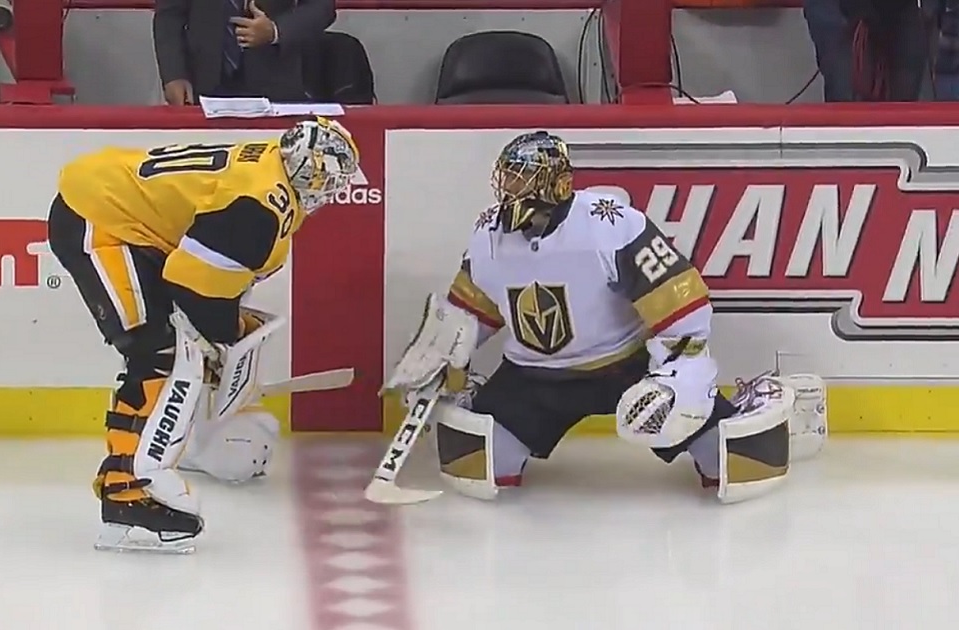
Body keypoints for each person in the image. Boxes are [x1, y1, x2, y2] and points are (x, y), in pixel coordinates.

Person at [384, 132, 825, 504]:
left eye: (524, 178)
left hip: (625, 367)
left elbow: (682, 309)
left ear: (556, 185)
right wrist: (442, 357)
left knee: (740, 466)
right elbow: (471, 311)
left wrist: (681, 377)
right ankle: (484, 403)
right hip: (532, 378)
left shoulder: (610, 224)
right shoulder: (487, 235)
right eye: (509, 177)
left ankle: (763, 405)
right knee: (474, 469)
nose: (512, 188)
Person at [48, 117, 359, 552]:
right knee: (158, 354)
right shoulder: (259, 206)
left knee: (169, 350)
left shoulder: (273, 165)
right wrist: (227, 334)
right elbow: (195, 288)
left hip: (128, 217)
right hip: (100, 218)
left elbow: (206, 278)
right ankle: (128, 493)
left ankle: (161, 455)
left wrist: (222, 332)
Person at [153, 0, 335, 105]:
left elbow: (322, 7)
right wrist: (174, 75)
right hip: (202, 85)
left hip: (274, 85)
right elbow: (169, 15)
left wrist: (275, 30)